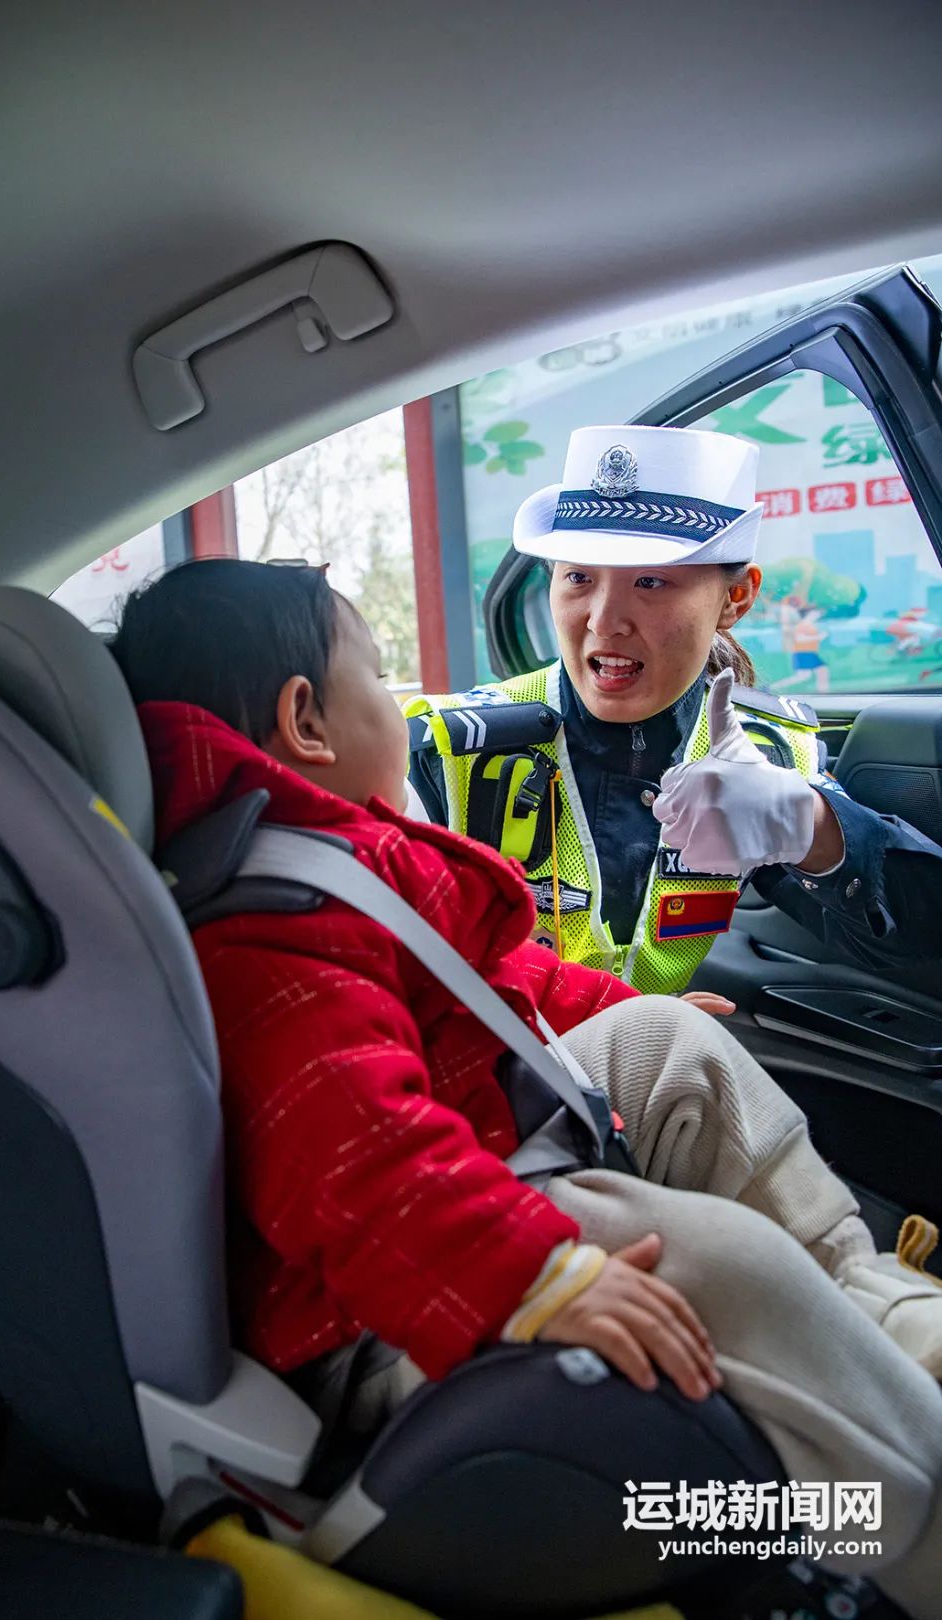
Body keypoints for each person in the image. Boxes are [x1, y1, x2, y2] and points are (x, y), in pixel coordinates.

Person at [113, 559, 942, 1614]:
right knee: (716, 1260)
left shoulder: (337, 864)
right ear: (307, 721)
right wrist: (537, 1278)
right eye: (378, 674)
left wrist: (610, 1009)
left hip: (470, 1167)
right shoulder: (266, 933)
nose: (404, 703)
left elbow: (498, 984)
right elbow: (354, 1161)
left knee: (659, 1042)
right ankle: (909, 1516)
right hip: (386, 1305)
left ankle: (877, 1311)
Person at [407, 425, 942, 988]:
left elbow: (915, 939)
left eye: (652, 582)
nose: (604, 620)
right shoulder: (452, 751)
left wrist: (810, 825)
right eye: (579, 578)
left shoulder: (763, 755)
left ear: (736, 598)